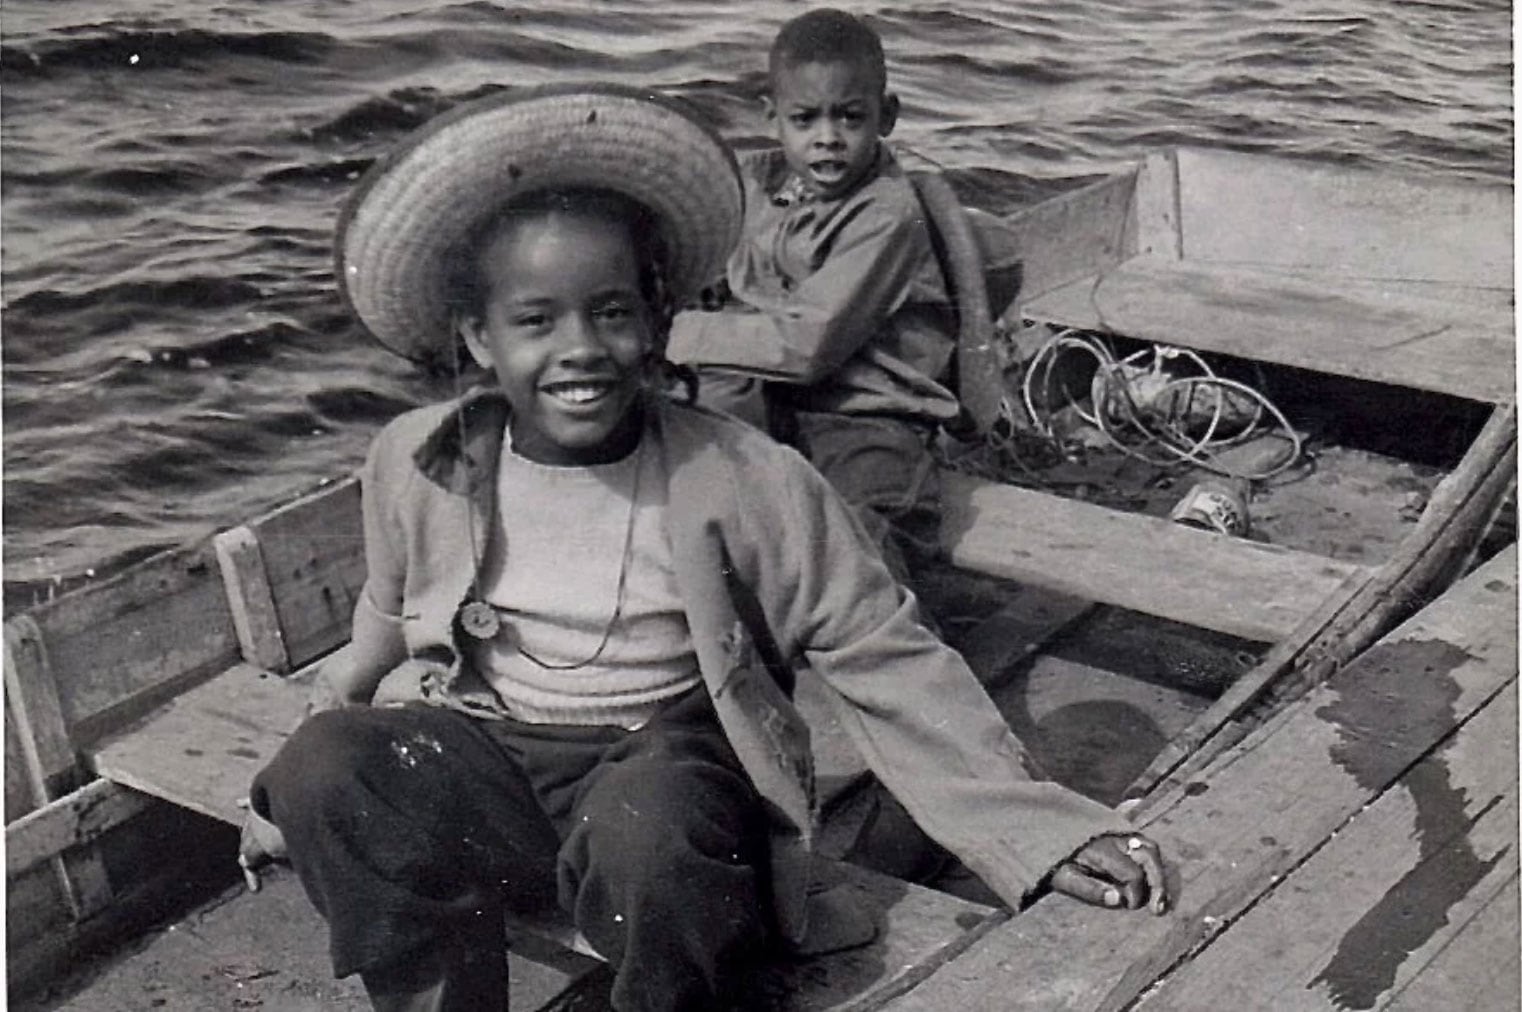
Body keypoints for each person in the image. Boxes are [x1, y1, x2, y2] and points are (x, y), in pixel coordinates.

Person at [237, 84, 1168, 1012]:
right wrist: (299, 780)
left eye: (611, 312)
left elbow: (882, 650)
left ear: (656, 320)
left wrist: (1031, 832)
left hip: (663, 782)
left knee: (654, 829)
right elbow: (385, 619)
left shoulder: (745, 475)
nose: (581, 349)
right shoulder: (420, 458)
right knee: (324, 766)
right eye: (535, 321)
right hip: (495, 770)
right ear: (480, 339)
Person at [666, 8, 963, 584]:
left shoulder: (887, 214)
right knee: (699, 502)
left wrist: (667, 334)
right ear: (772, 116)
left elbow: (806, 346)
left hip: (868, 419)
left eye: (850, 118)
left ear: (888, 117)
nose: (827, 138)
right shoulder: (756, 181)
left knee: (865, 541)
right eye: (805, 119)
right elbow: (695, 239)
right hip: (770, 405)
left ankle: (897, 654)